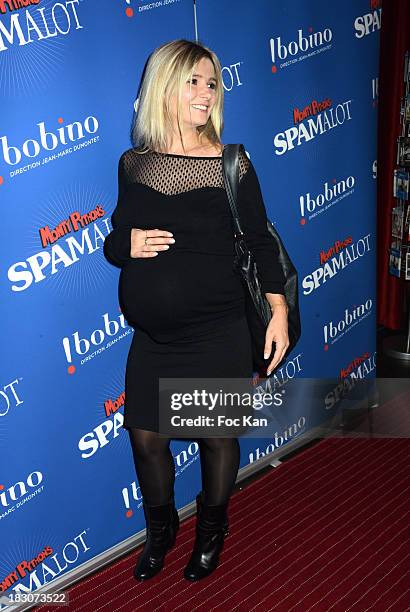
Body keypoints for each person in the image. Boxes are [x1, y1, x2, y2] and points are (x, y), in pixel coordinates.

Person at [103, 39, 289, 582]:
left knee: (214, 437)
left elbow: (259, 242)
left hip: (217, 329)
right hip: (155, 337)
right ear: (165, 86)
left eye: (211, 83)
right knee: (147, 439)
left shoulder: (232, 164)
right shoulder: (134, 163)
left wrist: (277, 310)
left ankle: (211, 530)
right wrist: (127, 243)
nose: (205, 92)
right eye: (193, 81)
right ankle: (162, 530)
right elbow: (116, 238)